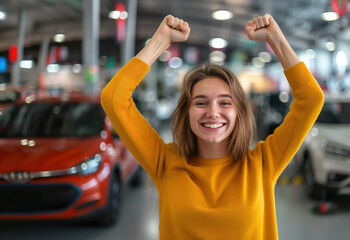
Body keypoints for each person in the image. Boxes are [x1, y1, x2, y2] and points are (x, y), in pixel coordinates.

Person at [101, 13, 324, 240]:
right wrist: (160, 40)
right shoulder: (165, 162)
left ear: (239, 112)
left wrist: (275, 38)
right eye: (201, 103)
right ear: (187, 112)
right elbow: (114, 98)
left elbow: (311, 99)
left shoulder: (263, 164)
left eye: (225, 102)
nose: (213, 112)